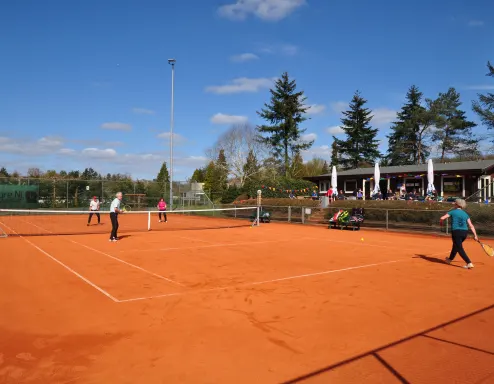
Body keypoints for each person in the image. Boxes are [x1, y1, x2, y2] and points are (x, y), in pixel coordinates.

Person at [440, 199, 478, 269]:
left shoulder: (452, 212)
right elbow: (471, 225)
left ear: (457, 205)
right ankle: (449, 260)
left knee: (459, 248)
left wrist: (441, 222)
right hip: (464, 233)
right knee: (456, 246)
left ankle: (469, 262)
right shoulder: (465, 214)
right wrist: (475, 235)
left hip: (456, 232)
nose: (454, 204)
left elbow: (442, 218)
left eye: (454, 203)